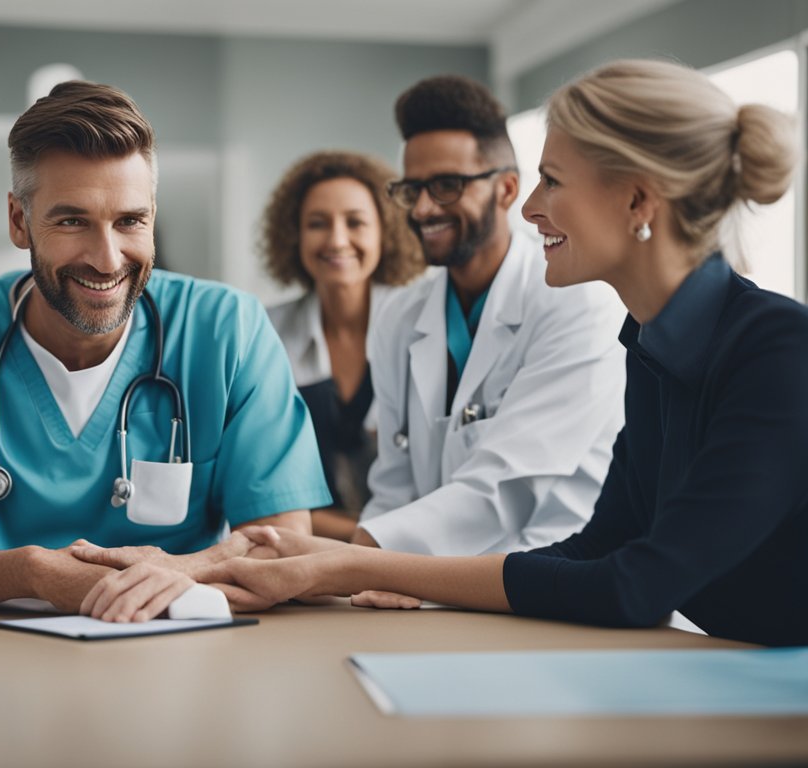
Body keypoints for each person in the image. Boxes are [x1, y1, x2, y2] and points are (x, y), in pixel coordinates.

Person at [187, 59, 808, 648]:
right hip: (716, 665)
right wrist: (351, 566)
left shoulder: (779, 350)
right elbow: (597, 548)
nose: (532, 206)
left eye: (553, 180)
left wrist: (346, 565)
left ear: (639, 202)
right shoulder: (649, 344)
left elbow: (636, 584)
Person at [0, 81, 331, 617]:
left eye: (130, 221)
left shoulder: (227, 329)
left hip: (174, 650)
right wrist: (33, 572)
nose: (107, 258)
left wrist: (169, 575)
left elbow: (279, 541)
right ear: (20, 222)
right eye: (72, 221)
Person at [353, 75, 625, 554]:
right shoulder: (399, 317)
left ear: (506, 190)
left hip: (551, 588)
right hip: (426, 589)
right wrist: (364, 578)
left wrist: (357, 559)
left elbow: (505, 493)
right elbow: (392, 489)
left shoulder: (576, 305)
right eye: (411, 188)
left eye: (445, 186)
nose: (421, 208)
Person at [262, 151, 425, 539]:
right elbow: (264, 491)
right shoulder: (265, 334)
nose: (337, 240)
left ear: (386, 231)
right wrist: (365, 538)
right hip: (302, 556)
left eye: (355, 222)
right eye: (317, 224)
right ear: (294, 235)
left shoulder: (426, 326)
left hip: (415, 560)